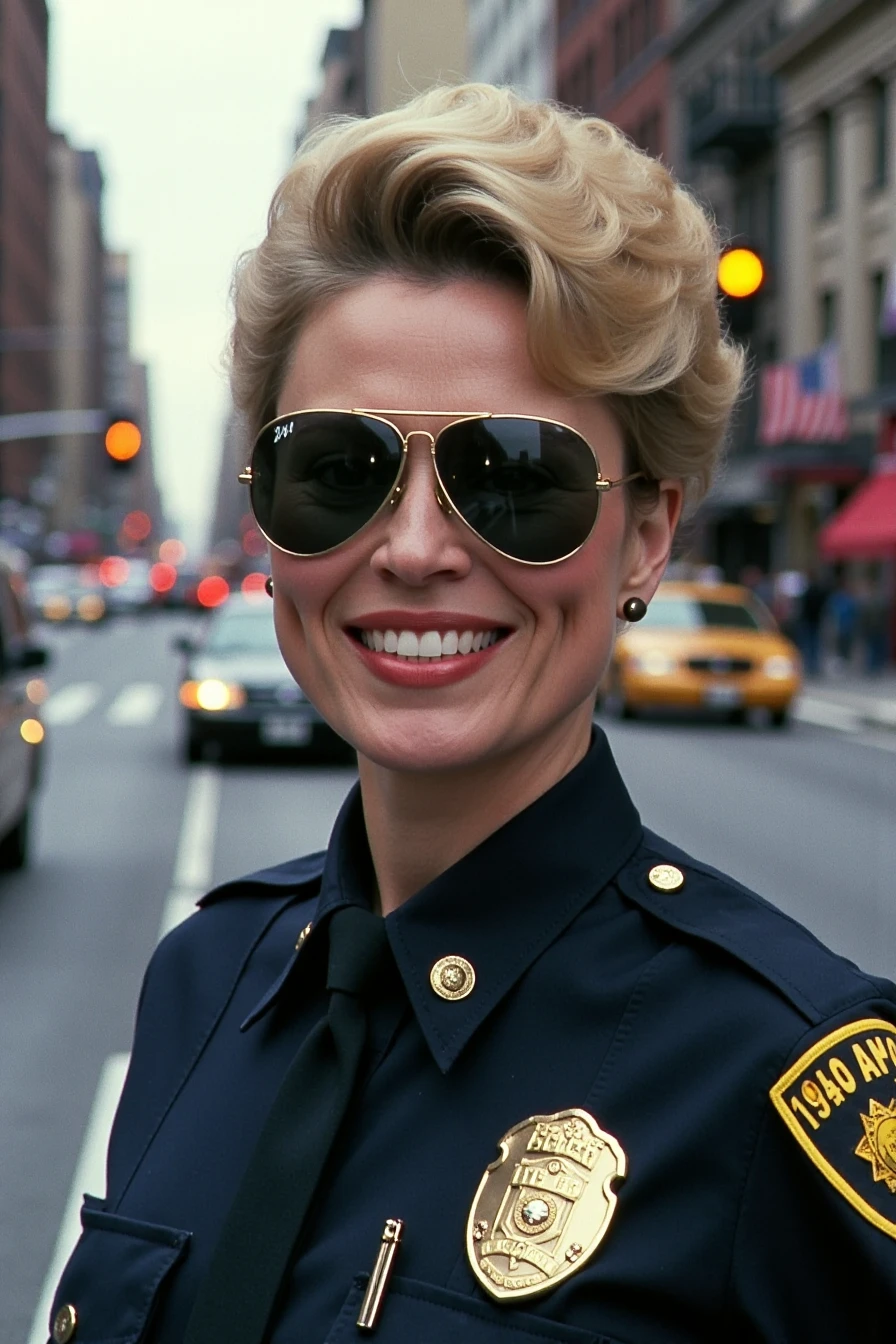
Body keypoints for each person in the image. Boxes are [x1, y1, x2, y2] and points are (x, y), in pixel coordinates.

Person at [50, 85, 896, 1343]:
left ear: (646, 535)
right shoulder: (203, 977)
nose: (409, 549)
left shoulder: (780, 1074)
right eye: (338, 469)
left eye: (511, 477)